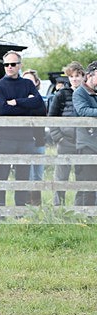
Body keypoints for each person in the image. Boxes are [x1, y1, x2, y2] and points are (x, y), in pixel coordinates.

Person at [0, 50, 47, 207]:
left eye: (13, 64)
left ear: (19, 65)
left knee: (23, 176)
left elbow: (40, 105)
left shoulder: (27, 84)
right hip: (5, 138)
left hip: (26, 138)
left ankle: (20, 210)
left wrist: (15, 102)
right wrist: (26, 104)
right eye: (6, 64)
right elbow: (2, 110)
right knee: (2, 175)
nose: (9, 67)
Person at [48, 61, 84, 206]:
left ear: (83, 76)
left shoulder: (89, 94)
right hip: (66, 141)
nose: (74, 79)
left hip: (84, 141)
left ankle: (81, 208)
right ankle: (59, 208)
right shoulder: (62, 94)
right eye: (71, 76)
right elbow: (52, 116)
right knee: (61, 177)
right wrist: (58, 137)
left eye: (77, 76)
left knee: (83, 176)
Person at [72, 61, 97, 206]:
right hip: (87, 143)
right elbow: (83, 111)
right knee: (87, 182)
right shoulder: (79, 93)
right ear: (90, 75)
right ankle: (84, 216)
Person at [22, 68, 46, 205]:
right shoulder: (19, 98)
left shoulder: (39, 100)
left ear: (36, 83)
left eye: (30, 81)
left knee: (38, 176)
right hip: (24, 141)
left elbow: (42, 111)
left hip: (39, 140)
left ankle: (37, 207)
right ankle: (26, 207)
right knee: (27, 175)